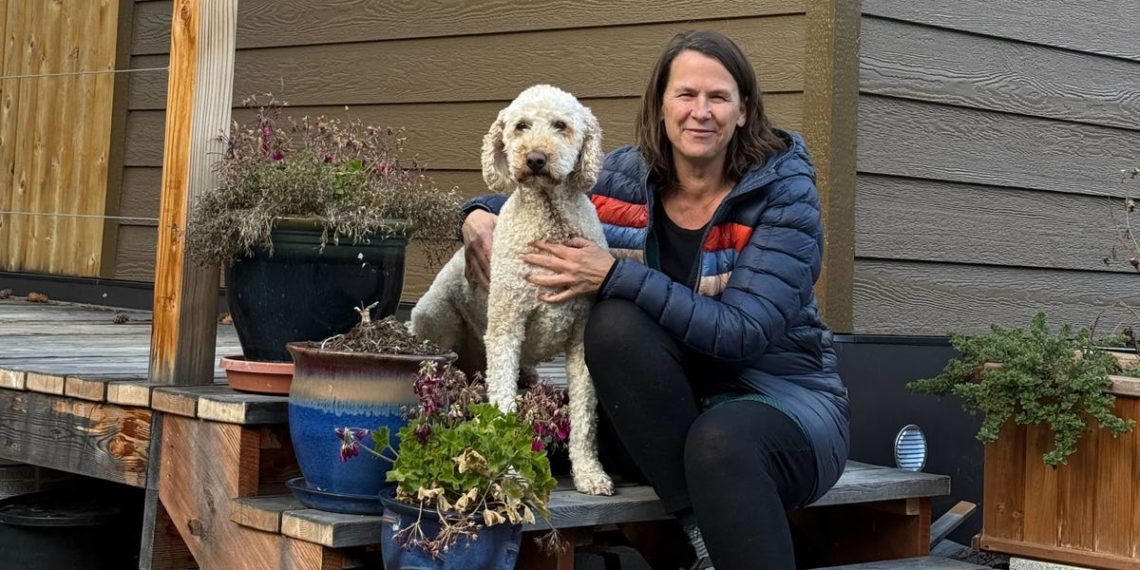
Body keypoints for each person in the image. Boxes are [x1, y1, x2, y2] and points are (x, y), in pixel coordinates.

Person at [460, 31, 850, 570]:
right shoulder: (624, 178)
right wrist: (477, 214)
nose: (701, 112)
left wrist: (615, 275)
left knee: (718, 441)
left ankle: (710, 544)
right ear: (661, 106)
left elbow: (743, 332)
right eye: (685, 94)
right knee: (613, 326)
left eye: (718, 97)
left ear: (743, 111)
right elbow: (543, 184)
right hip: (661, 407)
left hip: (782, 400)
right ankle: (704, 543)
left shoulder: (783, 192)